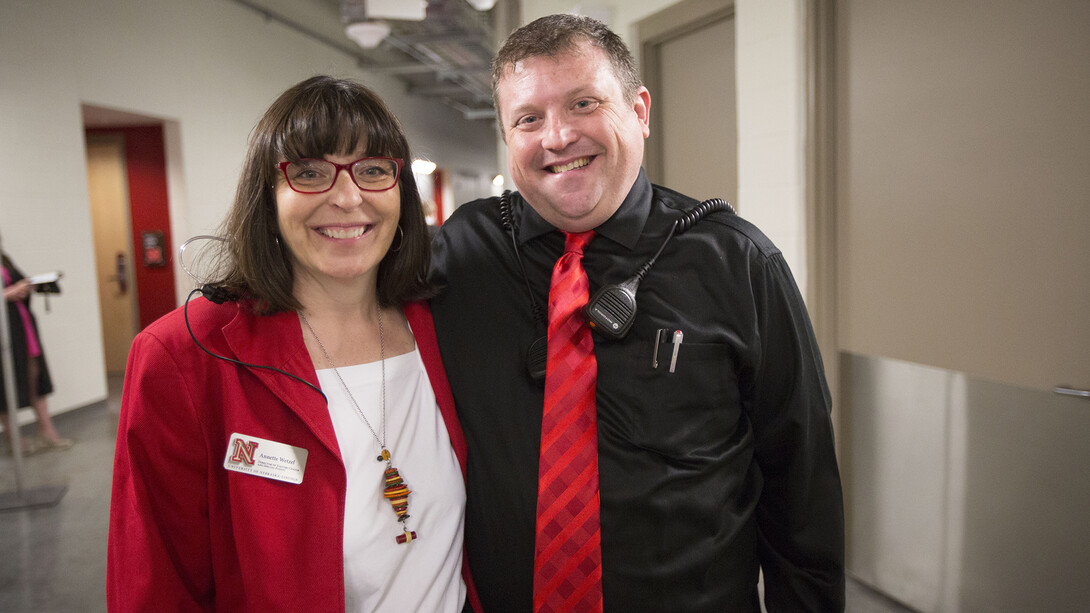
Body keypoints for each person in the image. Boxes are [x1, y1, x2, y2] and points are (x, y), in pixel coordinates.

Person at [429, 14, 844, 612]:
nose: (557, 137)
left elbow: (802, 494)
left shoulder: (738, 263)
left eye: (583, 103)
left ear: (640, 112)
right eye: (528, 119)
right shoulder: (464, 252)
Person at [107, 76, 481, 612]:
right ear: (267, 195)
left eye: (374, 170)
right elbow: (154, 583)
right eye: (309, 173)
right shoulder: (184, 357)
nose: (348, 197)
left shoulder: (443, 323)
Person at [2, 249, 73, 455]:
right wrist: (8, 294)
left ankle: (47, 434)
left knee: (35, 378)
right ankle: (13, 440)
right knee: (7, 384)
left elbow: (19, 281)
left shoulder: (4, 258)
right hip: (4, 332)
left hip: (22, 327)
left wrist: (30, 285)